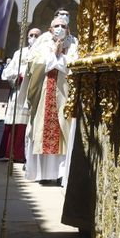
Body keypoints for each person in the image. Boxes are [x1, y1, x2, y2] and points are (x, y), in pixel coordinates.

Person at [25, 12, 79, 184]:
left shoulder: (73, 44)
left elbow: (74, 65)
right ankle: (42, 174)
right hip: (44, 92)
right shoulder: (43, 43)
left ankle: (60, 173)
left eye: (64, 26)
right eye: (57, 26)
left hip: (64, 93)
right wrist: (53, 55)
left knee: (63, 129)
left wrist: (60, 56)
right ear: (50, 28)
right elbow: (35, 64)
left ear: (68, 30)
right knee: (42, 128)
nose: (60, 29)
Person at [0, 28, 42, 162]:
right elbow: (7, 73)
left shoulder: (43, 53)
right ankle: (12, 152)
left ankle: (26, 155)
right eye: (31, 35)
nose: (33, 37)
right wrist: (17, 77)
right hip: (18, 93)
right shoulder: (20, 53)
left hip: (35, 93)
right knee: (16, 122)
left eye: (36, 35)